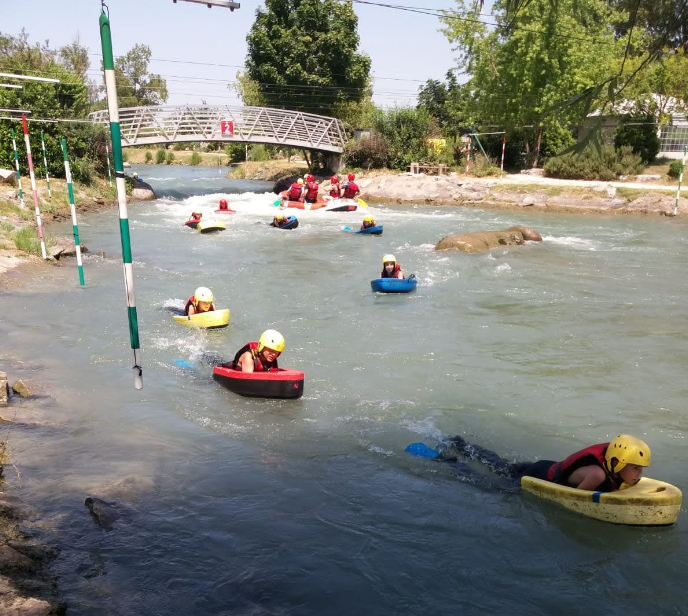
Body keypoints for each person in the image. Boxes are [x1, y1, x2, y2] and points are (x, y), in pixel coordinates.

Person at [443, 433, 651, 492]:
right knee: (491, 486)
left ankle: (459, 444)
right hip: (535, 476)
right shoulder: (597, 475)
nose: (639, 474)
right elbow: (573, 501)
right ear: (618, 463)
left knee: (500, 465)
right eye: (635, 468)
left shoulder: (610, 464)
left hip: (544, 466)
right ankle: (449, 461)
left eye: (641, 468)